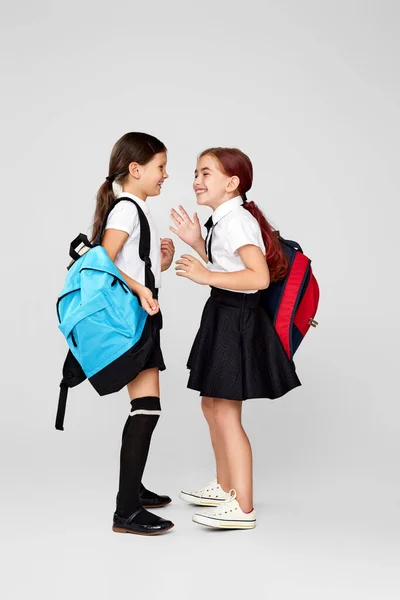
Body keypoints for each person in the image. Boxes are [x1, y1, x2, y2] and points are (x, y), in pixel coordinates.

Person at [170, 147, 301, 529]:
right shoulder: (224, 220)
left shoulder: (237, 221)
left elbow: (257, 279)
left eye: (206, 173)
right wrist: (197, 242)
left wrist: (204, 274)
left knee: (226, 412)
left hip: (237, 320)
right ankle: (225, 487)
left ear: (232, 183)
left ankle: (243, 508)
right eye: (196, 172)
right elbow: (229, 264)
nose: (196, 180)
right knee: (211, 405)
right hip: (224, 315)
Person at [94, 132, 175, 535]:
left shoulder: (133, 208)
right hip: (135, 320)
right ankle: (126, 510)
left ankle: (133, 491)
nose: (166, 175)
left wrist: (156, 263)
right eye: (160, 167)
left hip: (141, 318)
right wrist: (142, 286)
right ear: (136, 169)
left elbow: (123, 259)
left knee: (145, 407)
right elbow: (101, 262)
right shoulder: (127, 210)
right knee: (146, 408)